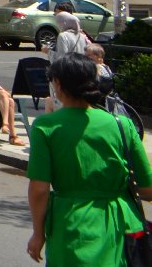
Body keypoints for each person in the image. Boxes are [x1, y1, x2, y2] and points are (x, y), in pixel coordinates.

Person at [26, 52, 152, 264]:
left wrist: (38, 234)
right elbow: (148, 189)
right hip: (123, 226)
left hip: (72, 224)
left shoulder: (46, 127)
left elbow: (39, 190)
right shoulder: (122, 124)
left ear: (58, 83)